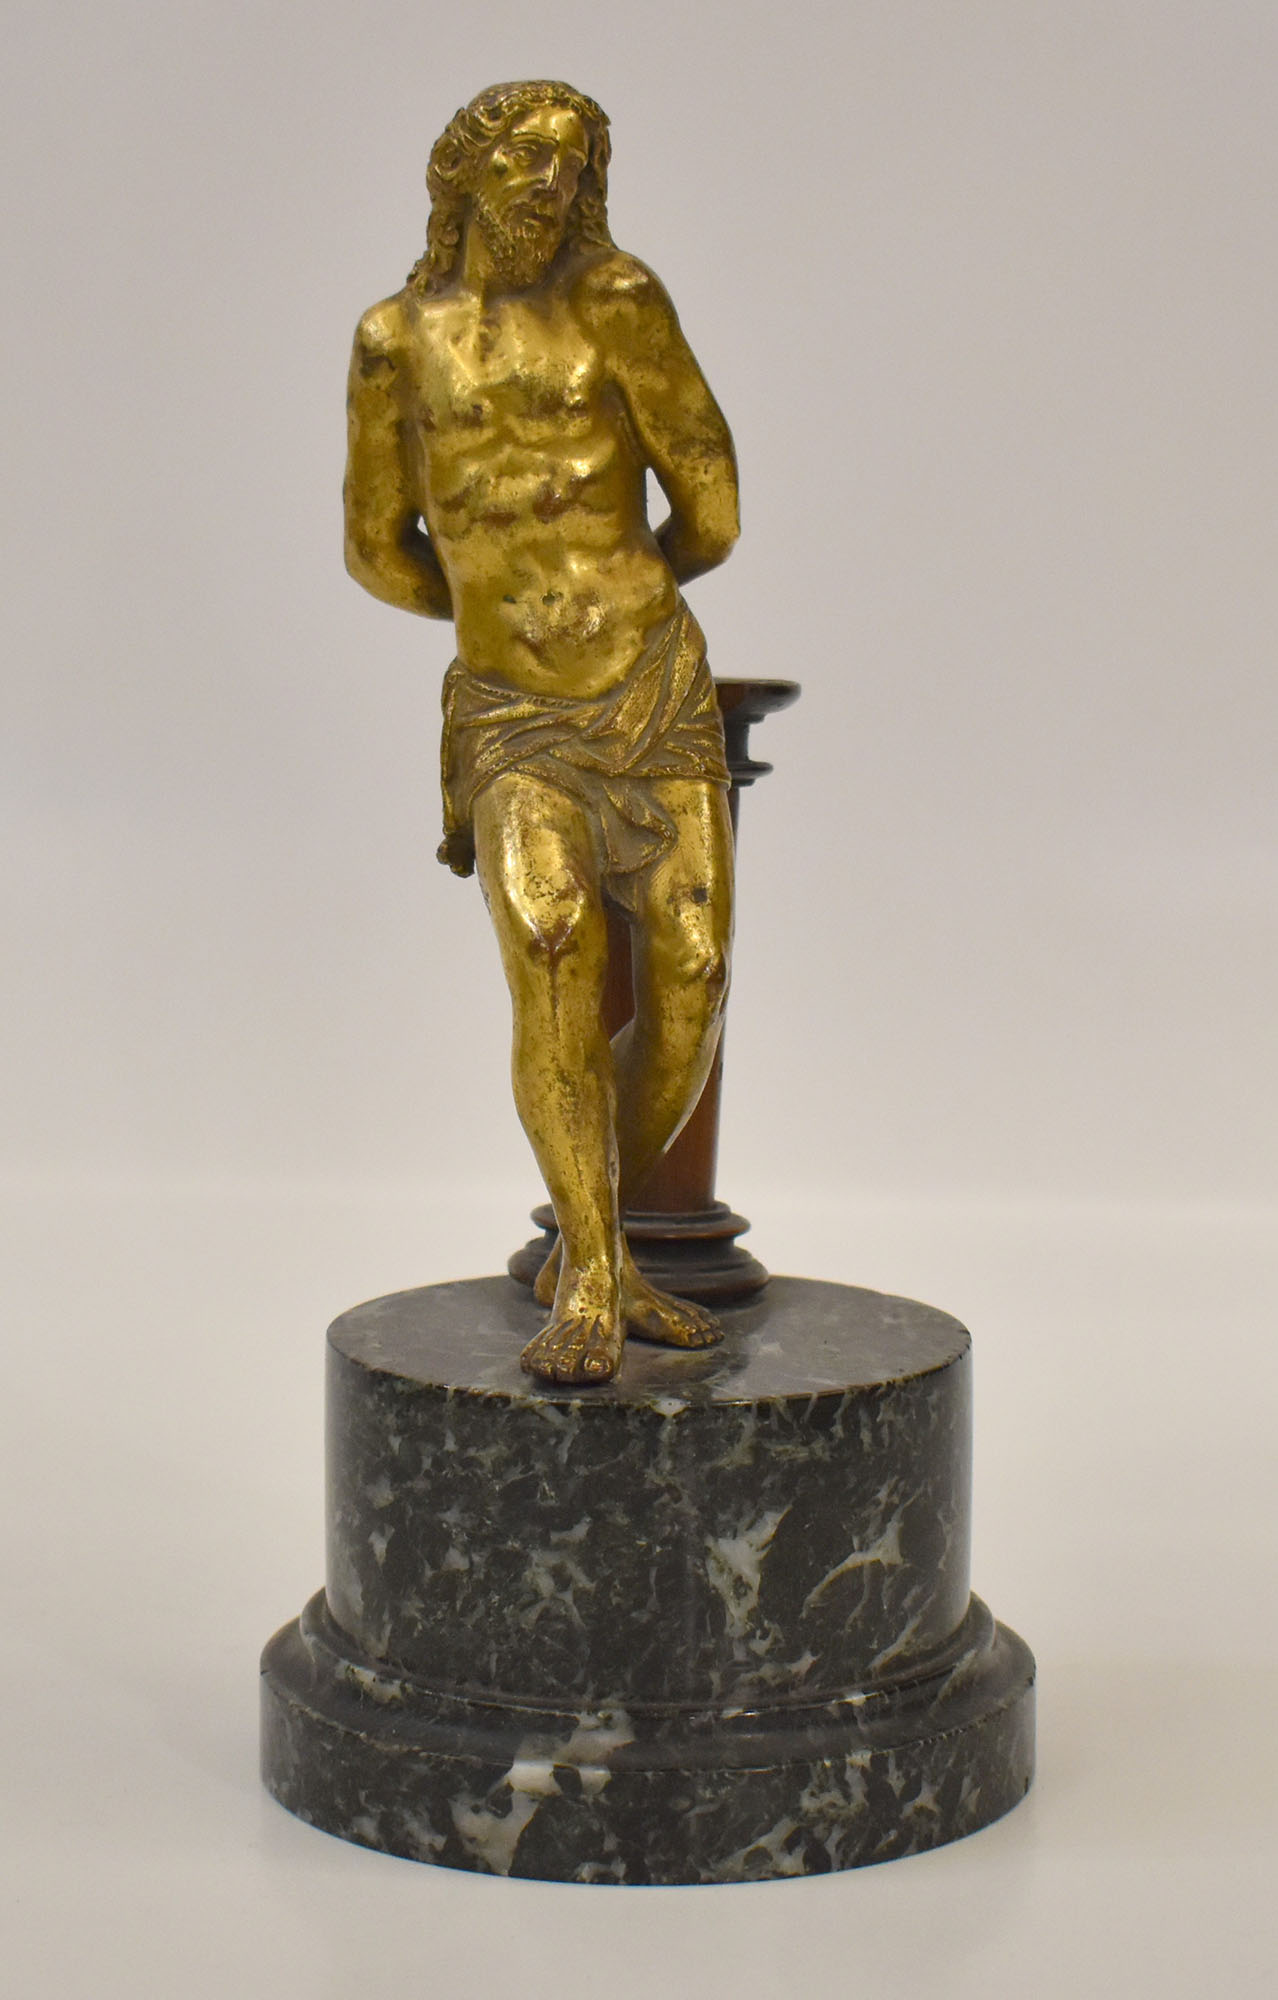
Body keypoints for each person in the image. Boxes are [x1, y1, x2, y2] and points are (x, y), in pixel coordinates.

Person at [343, 79, 740, 1384]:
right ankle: (598, 1274)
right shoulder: (395, 341)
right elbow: (376, 547)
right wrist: (496, 613)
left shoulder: (618, 302)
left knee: (692, 978)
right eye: (525, 156)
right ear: (462, 171)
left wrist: (614, 604)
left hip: (650, 684)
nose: (550, 183)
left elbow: (711, 503)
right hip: (512, 709)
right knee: (556, 948)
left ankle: (590, 1247)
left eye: (572, 163)